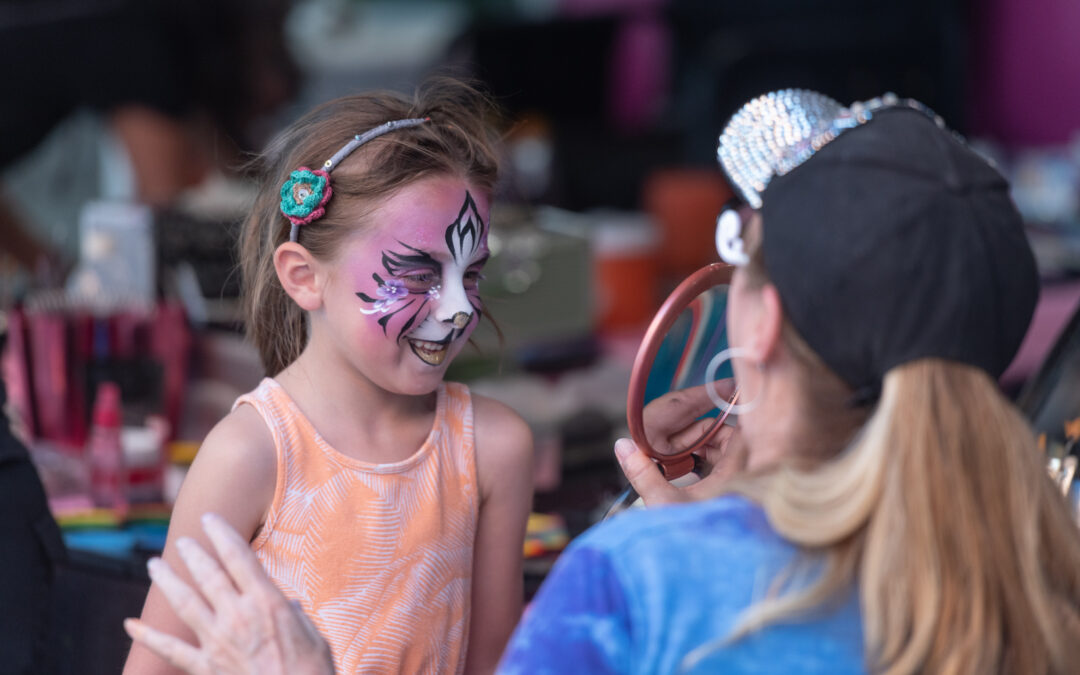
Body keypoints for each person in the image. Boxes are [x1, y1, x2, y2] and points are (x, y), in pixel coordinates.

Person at [127, 89, 1080, 674]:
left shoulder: (632, 573)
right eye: (421, 273)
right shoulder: (1038, 572)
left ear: (760, 321)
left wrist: (664, 553)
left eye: (736, 261)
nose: (458, 309)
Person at [123, 78, 534, 675]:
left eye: (471, 275)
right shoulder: (251, 455)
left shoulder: (492, 449)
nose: (459, 308)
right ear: (303, 276)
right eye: (418, 273)